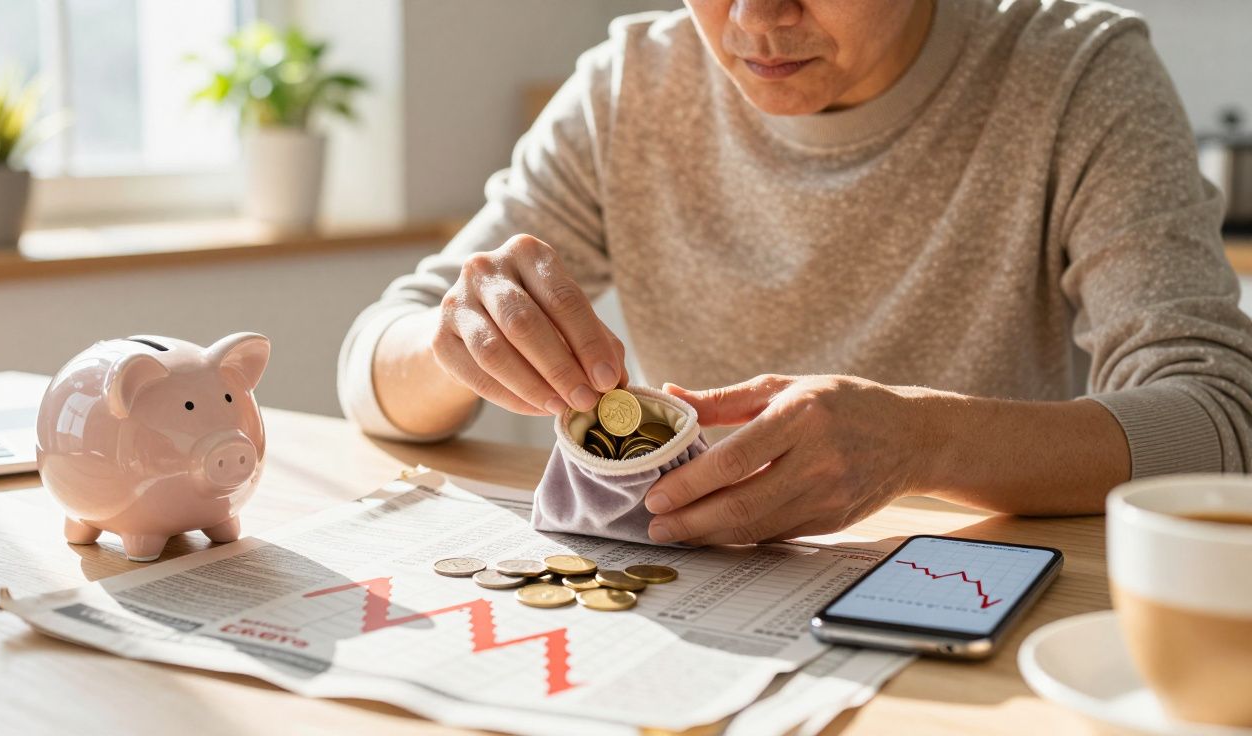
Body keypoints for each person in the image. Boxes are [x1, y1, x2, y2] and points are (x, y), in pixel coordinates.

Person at [338, 0, 1252, 546]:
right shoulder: (633, 85)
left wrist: (924, 444)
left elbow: (1222, 419)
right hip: (690, 611)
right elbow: (374, 366)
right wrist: (455, 340)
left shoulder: (1076, 76)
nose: (757, 22)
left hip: (957, 608)